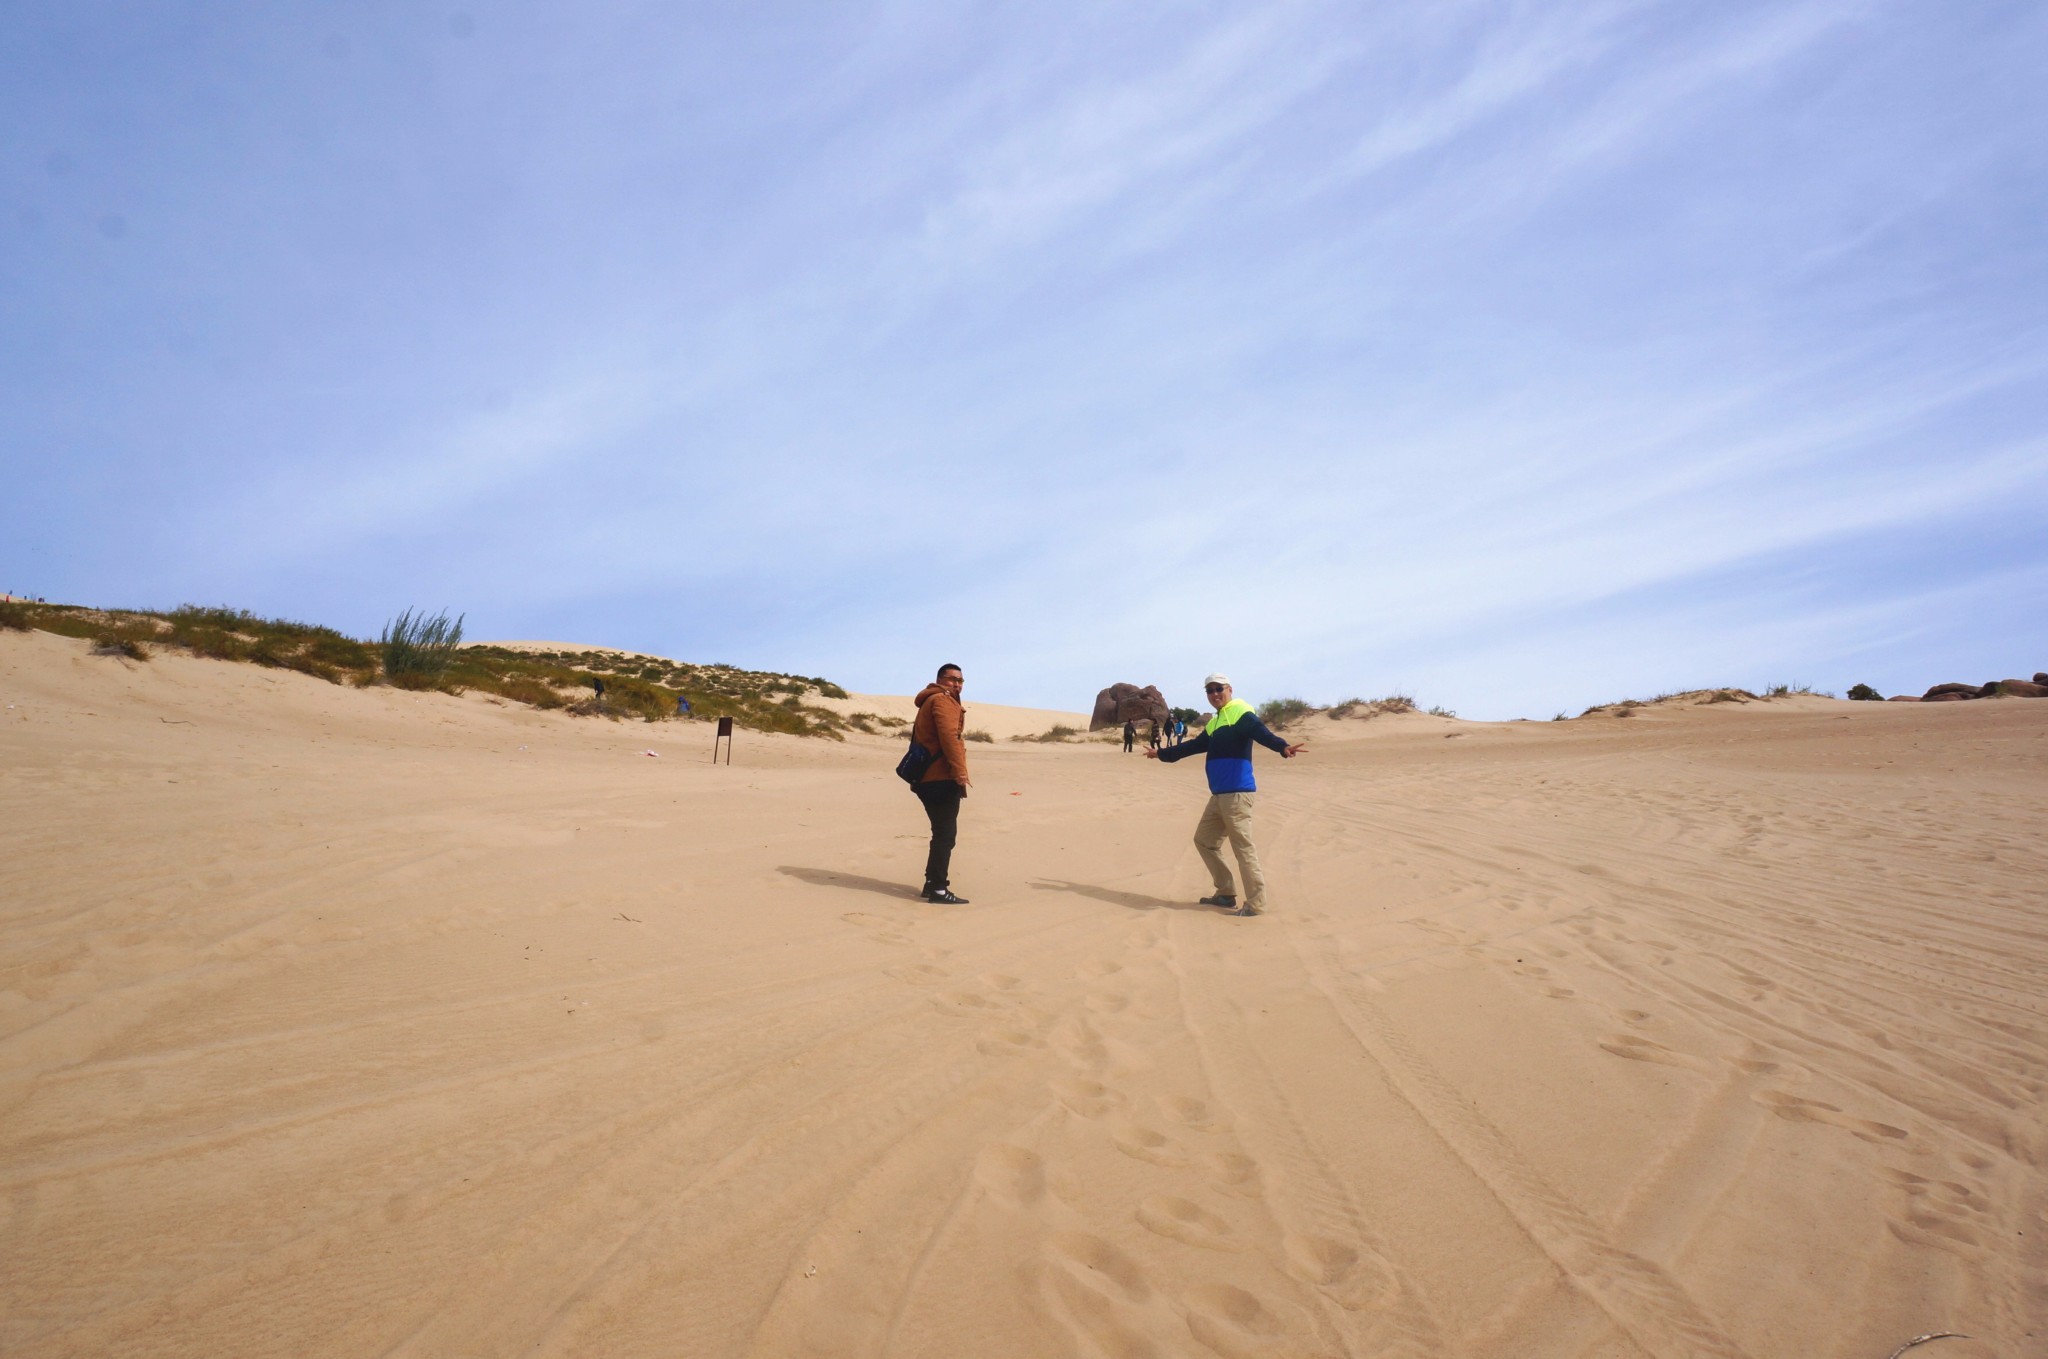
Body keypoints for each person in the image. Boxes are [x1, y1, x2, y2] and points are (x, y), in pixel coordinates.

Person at [1145, 673, 1304, 917]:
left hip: (1238, 794)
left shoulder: (1241, 713)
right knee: (1204, 841)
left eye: (1219, 688)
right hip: (1219, 795)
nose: (1215, 694)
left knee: (1243, 849)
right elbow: (1192, 747)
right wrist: (1162, 754)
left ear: (1229, 689)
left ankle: (1256, 903)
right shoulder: (1216, 722)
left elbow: (1263, 734)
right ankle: (1226, 893)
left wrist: (1282, 747)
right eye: (1209, 690)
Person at [910, 663, 972, 904]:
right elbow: (950, 738)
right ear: (939, 679)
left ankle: (930, 883)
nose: (956, 684)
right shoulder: (942, 701)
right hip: (939, 776)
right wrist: (960, 773)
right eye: (951, 679)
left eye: (960, 681)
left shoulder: (931, 699)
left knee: (941, 832)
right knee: (946, 834)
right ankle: (938, 888)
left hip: (926, 776)